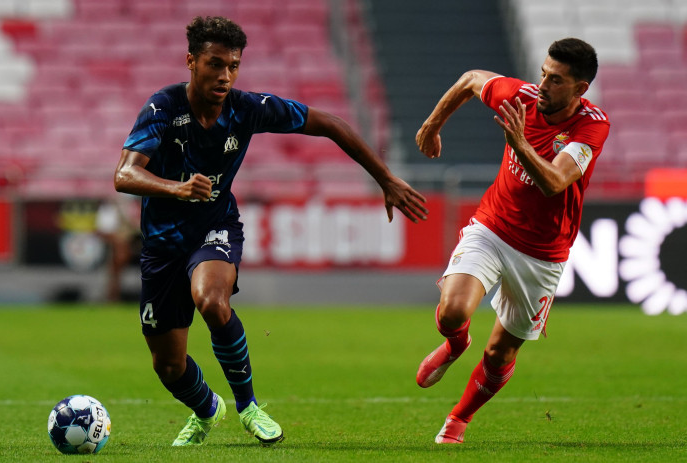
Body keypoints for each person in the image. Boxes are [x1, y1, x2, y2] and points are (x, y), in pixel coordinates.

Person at [114, 16, 428, 447]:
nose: (225, 75)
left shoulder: (247, 109)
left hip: (215, 227)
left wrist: (386, 179)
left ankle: (249, 407)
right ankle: (207, 408)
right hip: (162, 244)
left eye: (233, 65)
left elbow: (331, 124)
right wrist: (178, 188)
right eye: (214, 64)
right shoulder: (163, 108)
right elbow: (124, 175)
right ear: (191, 62)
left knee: (211, 300)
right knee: (168, 366)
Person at [414, 38, 609, 444]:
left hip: (543, 255)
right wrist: (433, 126)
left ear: (580, 89)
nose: (542, 84)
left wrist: (519, 144)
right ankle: (455, 343)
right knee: (452, 311)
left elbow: (555, 182)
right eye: (542, 73)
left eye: (555, 80)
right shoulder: (519, 95)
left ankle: (458, 420)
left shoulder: (591, 126)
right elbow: (470, 80)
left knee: (500, 353)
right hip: (493, 227)